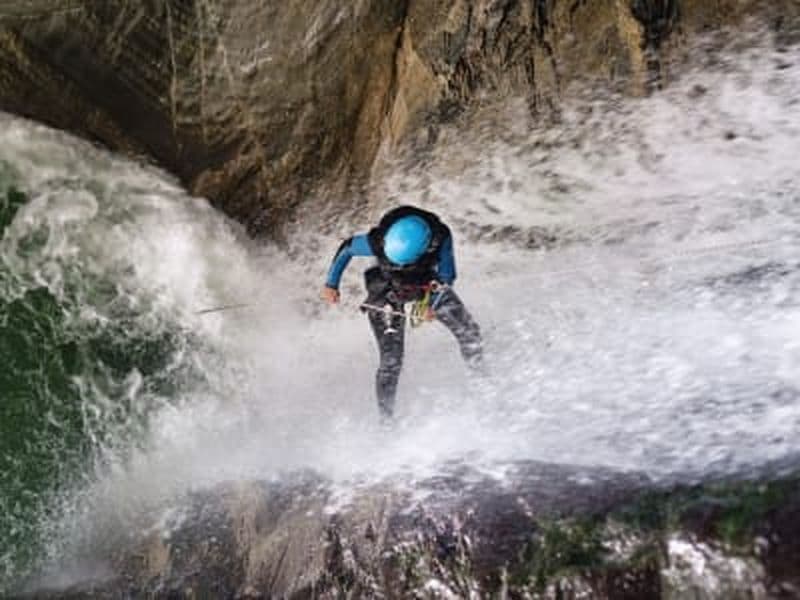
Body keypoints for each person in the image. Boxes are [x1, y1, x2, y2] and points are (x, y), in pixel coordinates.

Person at [321, 205, 484, 419]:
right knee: (391, 361)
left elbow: (446, 276)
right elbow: (348, 248)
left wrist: (430, 304)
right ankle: (386, 420)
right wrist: (331, 284)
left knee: (470, 333)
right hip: (386, 287)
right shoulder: (378, 241)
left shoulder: (439, 238)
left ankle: (482, 383)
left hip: (427, 284)